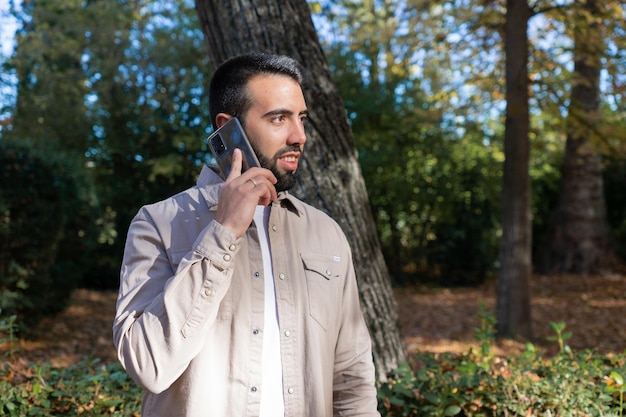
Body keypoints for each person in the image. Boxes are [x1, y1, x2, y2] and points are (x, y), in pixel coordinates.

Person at [113, 52, 380, 417]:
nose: (299, 136)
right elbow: (148, 365)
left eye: (301, 119)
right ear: (228, 128)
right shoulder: (158, 223)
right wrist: (222, 233)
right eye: (278, 118)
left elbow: (352, 375)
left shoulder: (326, 233)